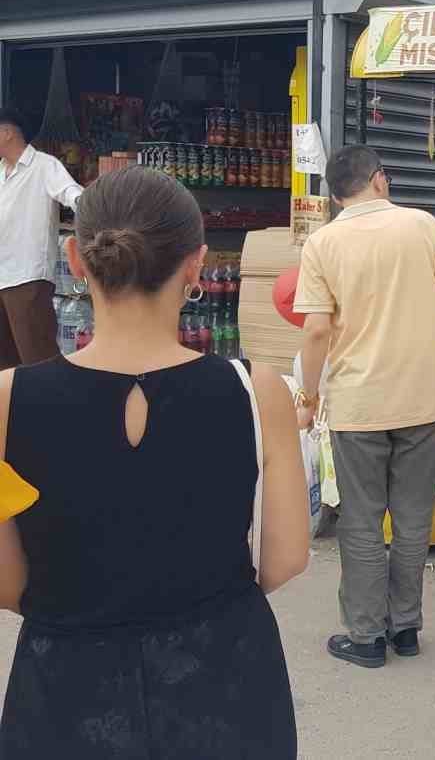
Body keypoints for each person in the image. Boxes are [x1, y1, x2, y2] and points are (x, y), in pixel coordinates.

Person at [0, 166, 308, 758]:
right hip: (225, 679)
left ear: (76, 258)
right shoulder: (256, 391)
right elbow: (287, 558)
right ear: (195, 265)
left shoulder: (9, 401)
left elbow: (9, 583)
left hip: (65, 687)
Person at [294, 144, 435, 668]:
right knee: (414, 518)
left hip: (358, 402)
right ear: (379, 180)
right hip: (423, 398)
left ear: (335, 194)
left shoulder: (323, 243)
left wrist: (308, 397)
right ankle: (407, 628)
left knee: (363, 520)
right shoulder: (422, 225)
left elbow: (317, 328)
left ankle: (367, 637)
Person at [0, 107, 83, 371]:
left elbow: (73, 194)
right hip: (2, 276)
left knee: (38, 358)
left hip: (27, 277)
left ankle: (54, 410)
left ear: (6, 133)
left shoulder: (44, 166)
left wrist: (99, 209)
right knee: (7, 361)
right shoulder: (0, 172)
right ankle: (12, 411)